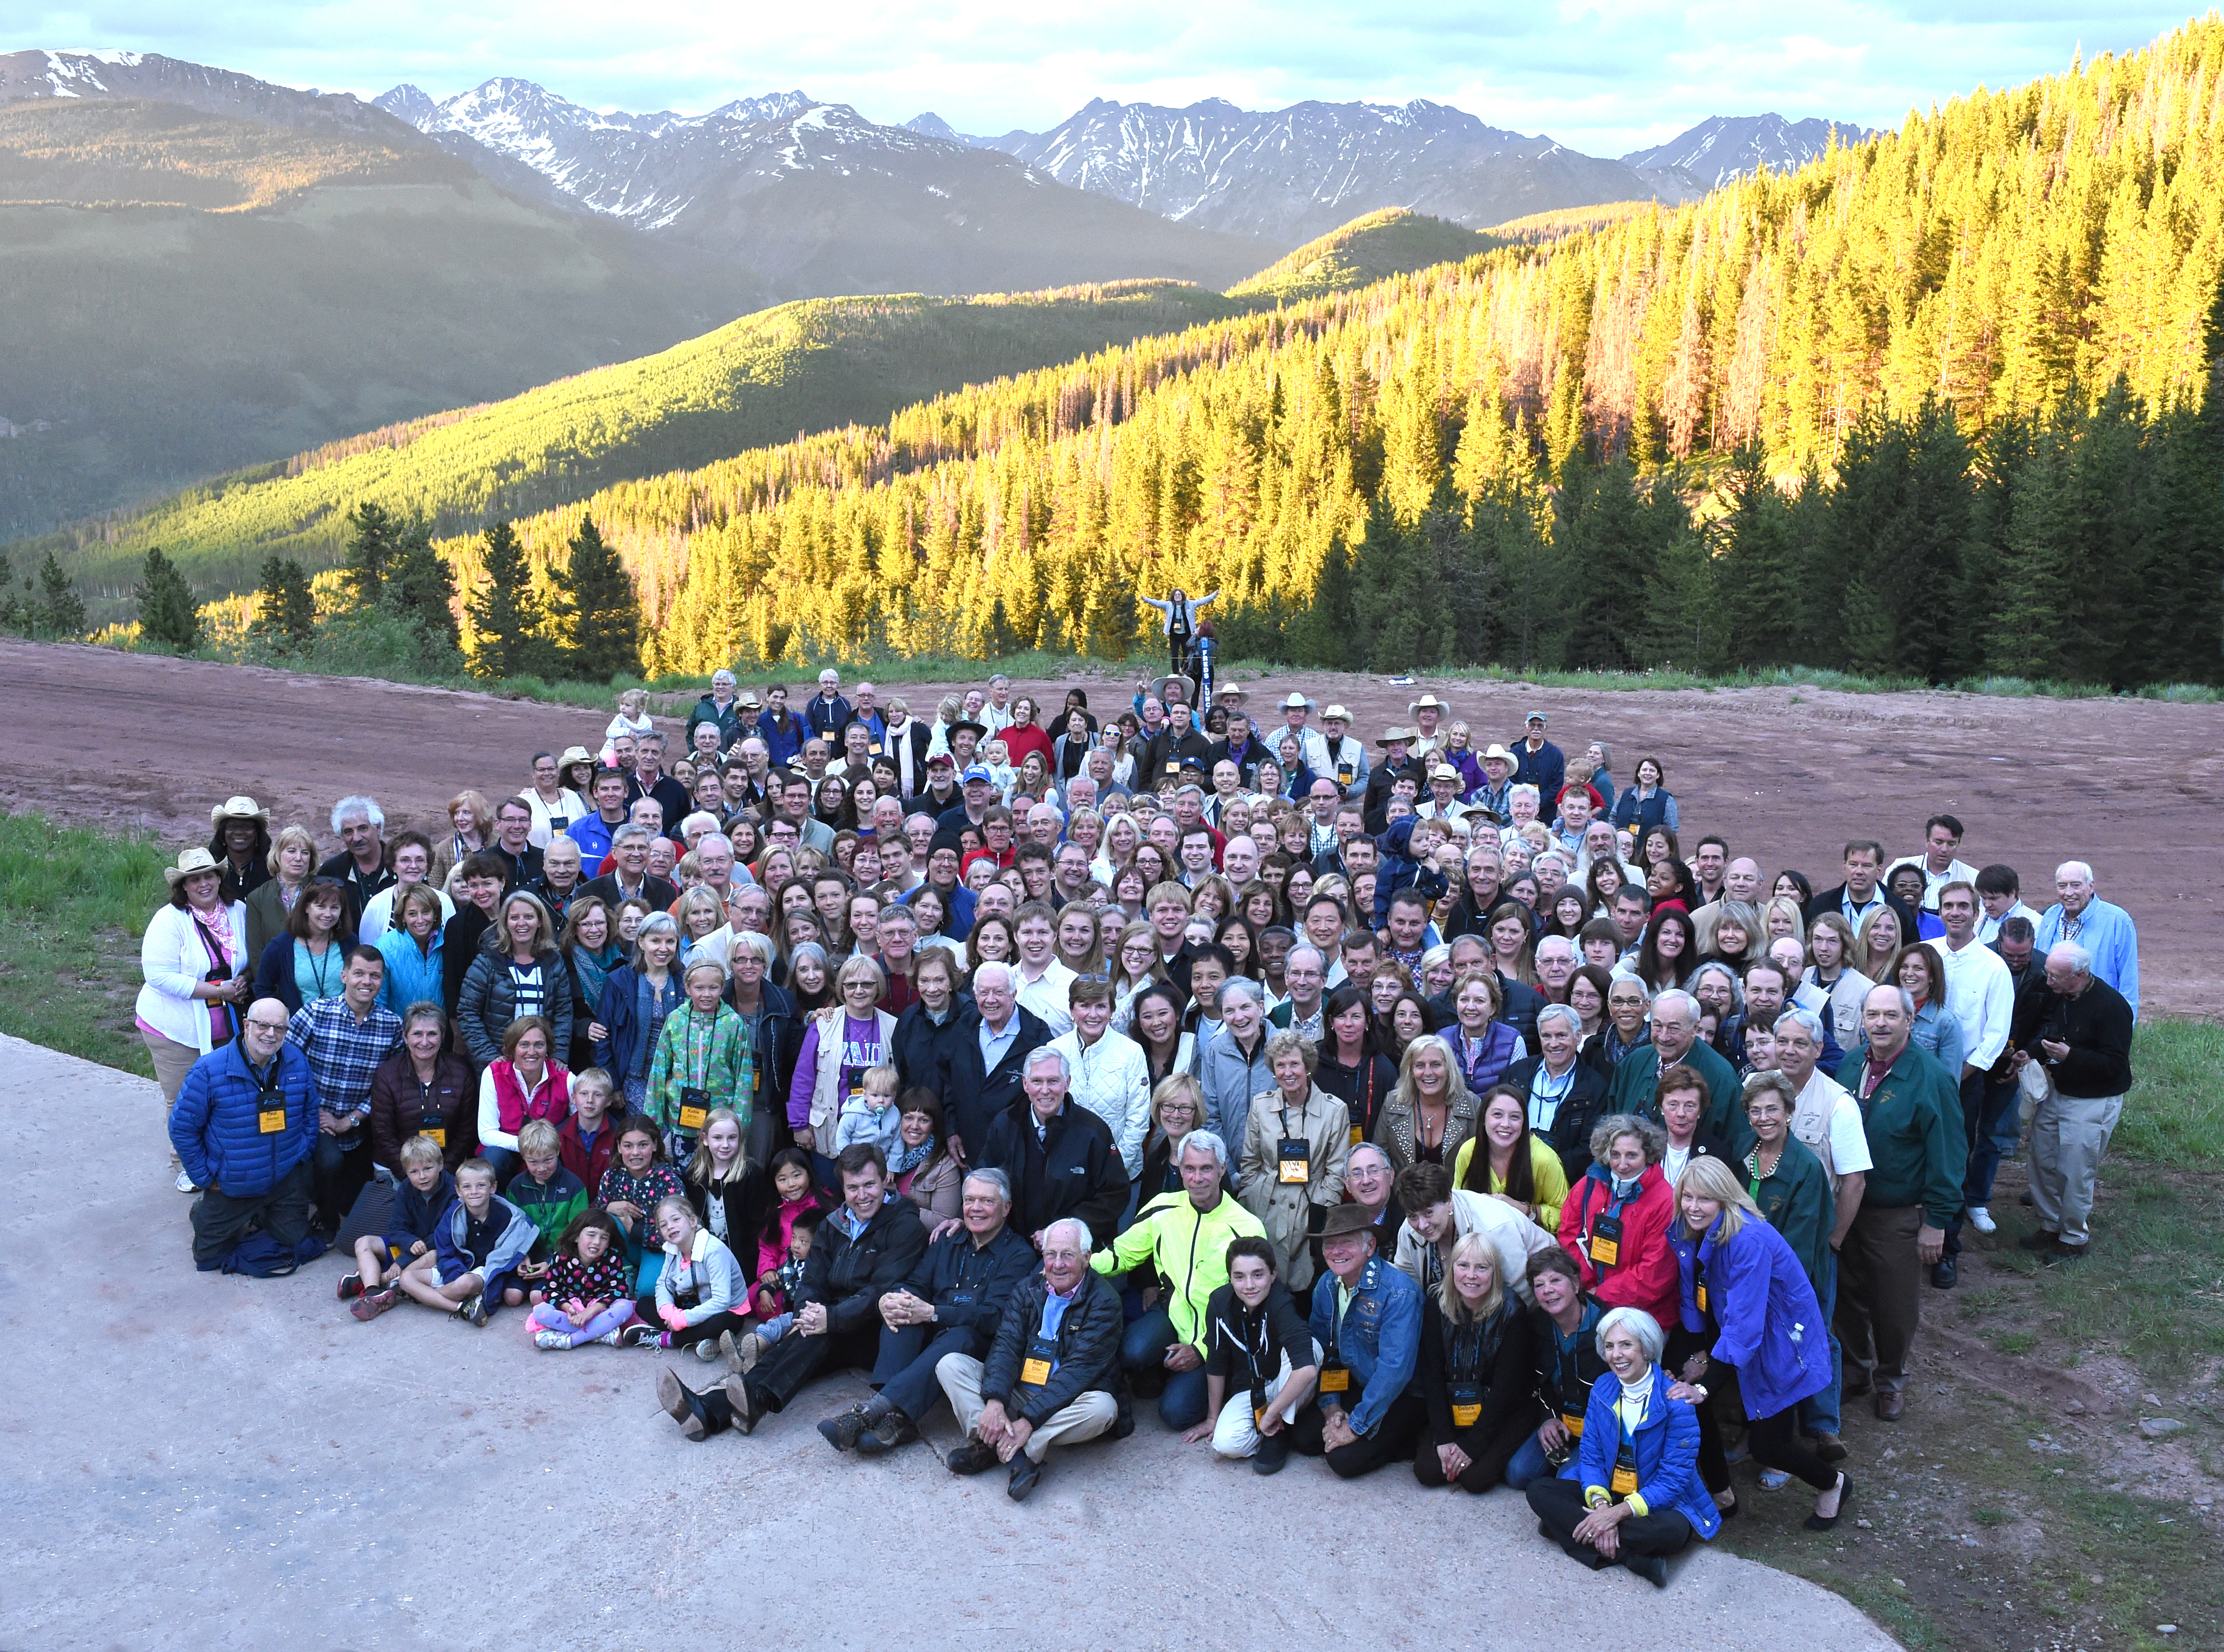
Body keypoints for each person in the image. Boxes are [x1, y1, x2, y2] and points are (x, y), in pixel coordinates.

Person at [697, 1144, 931, 1435]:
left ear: (885, 1180)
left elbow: (881, 1291)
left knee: (816, 1333)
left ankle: (736, 1402)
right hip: (837, 1321)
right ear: (842, 1189)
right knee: (807, 1334)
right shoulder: (834, 1224)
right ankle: (712, 1410)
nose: (862, 1195)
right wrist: (810, 1312)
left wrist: (828, 1319)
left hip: (874, 1329)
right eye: (853, 1187)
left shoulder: (905, 1227)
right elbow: (812, 1280)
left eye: (870, 1185)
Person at [1668, 1157, 1850, 1529]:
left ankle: (1834, 1484)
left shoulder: (1747, 1240)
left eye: (1705, 1198)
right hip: (1733, 1332)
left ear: (1724, 1199)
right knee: (1686, 1399)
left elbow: (1745, 1326)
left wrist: (1706, 1381)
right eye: (1687, 1196)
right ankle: (1722, 1496)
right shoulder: (1689, 1229)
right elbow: (1694, 1297)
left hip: (1779, 1344)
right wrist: (1699, 1354)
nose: (1693, 1206)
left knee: (1769, 1446)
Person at [818, 1167, 1038, 1455]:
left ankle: (871, 1413)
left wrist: (934, 1312)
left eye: (987, 1201)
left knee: (960, 1335)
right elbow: (917, 1283)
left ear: (1006, 1207)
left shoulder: (1019, 1254)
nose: (976, 1209)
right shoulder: (948, 1239)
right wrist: (895, 1300)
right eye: (970, 1200)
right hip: (935, 1336)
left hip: (980, 1349)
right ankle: (897, 1421)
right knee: (901, 1315)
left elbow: (994, 1317)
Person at [1836, 984, 1964, 1422]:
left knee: (1892, 1305)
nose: (1880, 1024)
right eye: (1872, 1015)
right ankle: (1854, 1372)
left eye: (1891, 1015)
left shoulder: (1930, 1077)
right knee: (1844, 1297)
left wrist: (1938, 1221)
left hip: (1895, 1214)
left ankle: (1891, 1380)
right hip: (1845, 1209)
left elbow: (1948, 1153)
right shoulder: (1850, 1064)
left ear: (1909, 1021)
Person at [1525, 1306, 1720, 1587]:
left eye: (1626, 1345)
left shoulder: (1678, 1403)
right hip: (1610, 1492)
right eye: (1610, 1346)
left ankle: (1569, 1528)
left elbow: (1673, 1481)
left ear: (1647, 1349)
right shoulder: (1602, 1388)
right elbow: (1591, 1458)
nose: (1617, 1355)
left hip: (1652, 1502)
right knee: (1539, 1490)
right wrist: (1602, 1506)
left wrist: (1615, 1515)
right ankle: (1634, 1560)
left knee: (1674, 1531)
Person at [939, 1214, 1127, 1500]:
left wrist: (1028, 1422)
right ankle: (1001, 1446)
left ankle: (1018, 1448)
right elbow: (1006, 1346)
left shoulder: (1105, 1302)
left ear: (1087, 1258)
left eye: (1068, 1255)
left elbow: (1077, 1373)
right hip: (1020, 1387)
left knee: (1103, 1409)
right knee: (951, 1365)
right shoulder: (1028, 1289)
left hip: (1068, 1399)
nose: (1057, 1264)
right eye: (1051, 1255)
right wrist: (996, 1401)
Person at [1091, 1130, 1266, 1427]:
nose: (1197, 1178)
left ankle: (1214, 1378)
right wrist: (1078, 1263)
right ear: (1180, 1170)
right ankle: (1164, 1368)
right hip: (1173, 1313)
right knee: (1132, 1351)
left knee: (1174, 1414)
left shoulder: (1246, 1226)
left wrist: (1201, 1350)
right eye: (1190, 1169)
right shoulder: (1163, 1207)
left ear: (1223, 1169)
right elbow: (1123, 1254)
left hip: (1218, 1334)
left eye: (1207, 1168)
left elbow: (1250, 1306)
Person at [168, 997, 320, 1269]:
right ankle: (204, 1212)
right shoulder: (208, 1070)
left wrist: (302, 1153)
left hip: (283, 1179)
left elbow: (311, 1111)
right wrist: (205, 1177)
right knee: (209, 1259)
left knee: (299, 1246)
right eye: (263, 1025)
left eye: (280, 1028)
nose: (271, 1034)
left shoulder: (296, 1061)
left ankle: (259, 1215)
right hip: (233, 1183)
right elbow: (182, 1128)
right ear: (246, 1024)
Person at [2011, 941, 2135, 1260]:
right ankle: (2051, 1225)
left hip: (2094, 1099)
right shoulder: (2060, 995)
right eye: (2048, 973)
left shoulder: (2111, 1007)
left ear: (2079, 976)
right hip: (2060, 1092)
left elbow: (2116, 1065)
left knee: (2076, 1170)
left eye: (2056, 977)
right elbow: (2048, 1033)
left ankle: (2073, 1238)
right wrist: (2033, 1051)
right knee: (2042, 1158)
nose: (2048, 981)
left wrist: (2072, 1056)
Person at [1288, 1202, 1424, 1477]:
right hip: (1357, 1382)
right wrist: (1332, 1408)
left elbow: (1394, 1370)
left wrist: (1355, 1425)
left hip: (1403, 1394)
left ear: (1370, 1247)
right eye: (1329, 1243)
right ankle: (1381, 1438)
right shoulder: (1326, 1285)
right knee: (1304, 1438)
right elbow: (1323, 1353)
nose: (1336, 1251)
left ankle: (1408, 1439)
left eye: (1346, 1243)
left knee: (1343, 1461)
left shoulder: (1399, 1293)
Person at [286, 945, 402, 1241]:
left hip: (360, 1125)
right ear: (344, 975)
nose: (366, 982)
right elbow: (284, 1064)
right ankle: (325, 1220)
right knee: (329, 1162)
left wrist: (350, 1120)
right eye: (359, 974)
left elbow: (388, 1088)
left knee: (354, 1202)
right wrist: (311, 1113)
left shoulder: (392, 1026)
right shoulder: (315, 1013)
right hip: (315, 1119)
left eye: (375, 976)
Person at [139, 848, 255, 1143]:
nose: (204, 884)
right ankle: (184, 1164)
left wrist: (243, 980)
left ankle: (221, 1157)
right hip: (176, 1029)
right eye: (194, 880)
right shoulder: (169, 920)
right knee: (184, 1101)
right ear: (183, 887)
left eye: (209, 876)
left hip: (227, 1027)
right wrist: (219, 991)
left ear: (219, 878)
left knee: (225, 1098)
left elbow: (252, 957)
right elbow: (159, 976)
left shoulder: (238, 911)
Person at [1184, 1235, 1321, 1473]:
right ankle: (1278, 1428)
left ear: (1273, 1275)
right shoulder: (1219, 1302)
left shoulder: (1280, 1301)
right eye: (1239, 1277)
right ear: (1230, 1278)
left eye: (1258, 1275)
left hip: (1286, 1382)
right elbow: (1216, 1362)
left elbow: (1307, 1369)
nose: (1249, 1285)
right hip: (1252, 1389)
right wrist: (1212, 1419)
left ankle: (1278, 1430)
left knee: (1312, 1349)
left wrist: (1271, 1414)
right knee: (1225, 1444)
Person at [1412, 1231, 1535, 1493]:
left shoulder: (1513, 1311)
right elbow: (1431, 1373)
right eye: (1463, 1265)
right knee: (1428, 1471)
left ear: (1495, 1272)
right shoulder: (1436, 1303)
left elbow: (1506, 1389)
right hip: (1455, 1406)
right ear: (1451, 1267)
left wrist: (1472, 1446)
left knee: (1475, 1480)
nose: (1471, 1275)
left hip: (1502, 1412)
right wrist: (1445, 1438)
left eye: (1482, 1268)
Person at [980, 1047, 1130, 1248]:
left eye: (1053, 1081)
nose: (1045, 1090)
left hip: (1073, 1250)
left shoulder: (1093, 1132)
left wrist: (1061, 1231)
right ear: (1025, 1084)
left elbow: (1115, 1194)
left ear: (1067, 1083)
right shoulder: (1005, 1125)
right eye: (1037, 1081)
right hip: (1013, 1248)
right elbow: (985, 1182)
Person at [1237, 1030, 1350, 1296]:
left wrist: (1319, 1212)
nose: (1288, 1072)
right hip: (1265, 1210)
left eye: (1294, 1064)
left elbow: (1337, 1172)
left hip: (1311, 1213)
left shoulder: (1335, 1111)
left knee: (1305, 1294)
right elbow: (1250, 1162)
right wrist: (1252, 1197)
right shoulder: (1261, 1106)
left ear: (1307, 1067)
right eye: (1281, 1065)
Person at [1558, 1114, 1680, 1329]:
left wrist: (1601, 1295)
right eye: (1615, 1155)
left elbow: (1655, 1273)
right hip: (1590, 1301)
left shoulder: (1665, 1200)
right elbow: (1568, 1233)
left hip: (1643, 1315)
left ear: (1648, 1155)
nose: (1622, 1165)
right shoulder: (1589, 1184)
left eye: (1632, 1155)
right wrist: (1587, 1284)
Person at [1506, 1247, 1609, 1489]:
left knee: (1567, 1481)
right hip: (1561, 1421)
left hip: (1599, 1429)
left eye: (1555, 1281)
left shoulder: (1608, 1328)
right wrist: (1547, 1420)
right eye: (1539, 1285)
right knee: (1517, 1474)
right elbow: (1534, 1384)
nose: (1548, 1290)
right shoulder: (1536, 1326)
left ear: (1575, 1284)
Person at [393, 1157, 536, 1326]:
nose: (473, 1192)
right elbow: (446, 1252)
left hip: (482, 1274)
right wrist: (454, 1276)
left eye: (481, 1185)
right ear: (459, 1191)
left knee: (466, 1283)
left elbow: (501, 1263)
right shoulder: (453, 1214)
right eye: (467, 1187)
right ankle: (462, 1307)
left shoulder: (507, 1217)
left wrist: (460, 1283)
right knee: (406, 1279)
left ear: (493, 1188)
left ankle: (425, 1296)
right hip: (457, 1268)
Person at [1607, 988, 1746, 1155]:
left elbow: (1735, 1147)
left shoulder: (1722, 1078)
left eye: (1674, 1028)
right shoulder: (1634, 1063)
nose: (1664, 1037)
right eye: (1658, 1026)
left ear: (1695, 1028)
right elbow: (1612, 1126)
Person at [938, 961, 1052, 1163]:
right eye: (983, 993)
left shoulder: (1037, 1037)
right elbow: (948, 1083)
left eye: (998, 992)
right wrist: (951, 1130)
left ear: (1014, 994)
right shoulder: (963, 1028)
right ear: (975, 995)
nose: (990, 1000)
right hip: (969, 1155)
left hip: (1020, 1160)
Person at [646, 957, 752, 1161]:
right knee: (687, 1178)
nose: (706, 994)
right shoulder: (675, 1020)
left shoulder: (733, 1023)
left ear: (722, 989)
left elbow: (743, 1077)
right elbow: (658, 1070)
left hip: (721, 1126)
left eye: (713, 988)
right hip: (682, 1120)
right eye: (699, 988)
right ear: (687, 988)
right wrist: (653, 1123)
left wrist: (739, 1124)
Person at [342, 1134, 457, 1318]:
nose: (422, 1177)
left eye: (428, 1169)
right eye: (414, 1172)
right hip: (408, 1245)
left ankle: (379, 1280)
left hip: (433, 1249)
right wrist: (409, 1244)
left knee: (433, 1256)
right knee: (364, 1243)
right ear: (405, 1171)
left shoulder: (453, 1190)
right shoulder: (405, 1189)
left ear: (441, 1164)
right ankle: (372, 1291)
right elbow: (395, 1228)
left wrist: (403, 1261)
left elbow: (446, 1234)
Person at [457, 892, 574, 1071]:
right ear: (505, 923)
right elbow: (468, 1013)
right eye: (514, 918)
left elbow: (563, 1012)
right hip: (499, 1065)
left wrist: (559, 1055)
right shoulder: (487, 961)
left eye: (529, 917)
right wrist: (491, 1057)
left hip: (542, 1063)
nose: (522, 924)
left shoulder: (554, 961)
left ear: (540, 921)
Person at [1496, 1003, 1612, 1182]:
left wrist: (1543, 1169)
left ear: (1578, 1036)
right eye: (1547, 1036)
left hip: (1564, 1182)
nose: (1554, 1044)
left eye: (1561, 1036)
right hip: (1509, 1174)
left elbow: (1589, 1149)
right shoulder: (1516, 1074)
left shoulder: (1595, 1088)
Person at [1453, 1083, 1570, 1232]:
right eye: (1497, 1115)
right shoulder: (1468, 1151)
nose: (1505, 1124)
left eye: (1515, 1117)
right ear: (1483, 1119)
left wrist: (1523, 1209)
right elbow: (1457, 1203)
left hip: (1532, 1245)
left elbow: (1566, 1216)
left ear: (1524, 1122)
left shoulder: (1544, 1159)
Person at [2033, 860, 2139, 1020]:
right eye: (2062, 886)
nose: (2069, 893)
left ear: (2091, 887)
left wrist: (2125, 1026)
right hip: (2054, 1013)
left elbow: (2128, 980)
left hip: (2099, 1016)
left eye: (2076, 885)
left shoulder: (2117, 920)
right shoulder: (2050, 917)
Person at [474, 1014, 570, 1186]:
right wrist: (528, 1147)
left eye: (539, 1045)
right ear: (512, 1049)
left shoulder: (567, 1079)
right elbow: (487, 1133)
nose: (532, 1052)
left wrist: (544, 1151)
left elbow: (579, 1126)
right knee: (493, 1159)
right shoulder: (494, 1074)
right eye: (524, 1045)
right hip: (506, 1151)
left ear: (547, 1048)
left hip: (548, 1155)